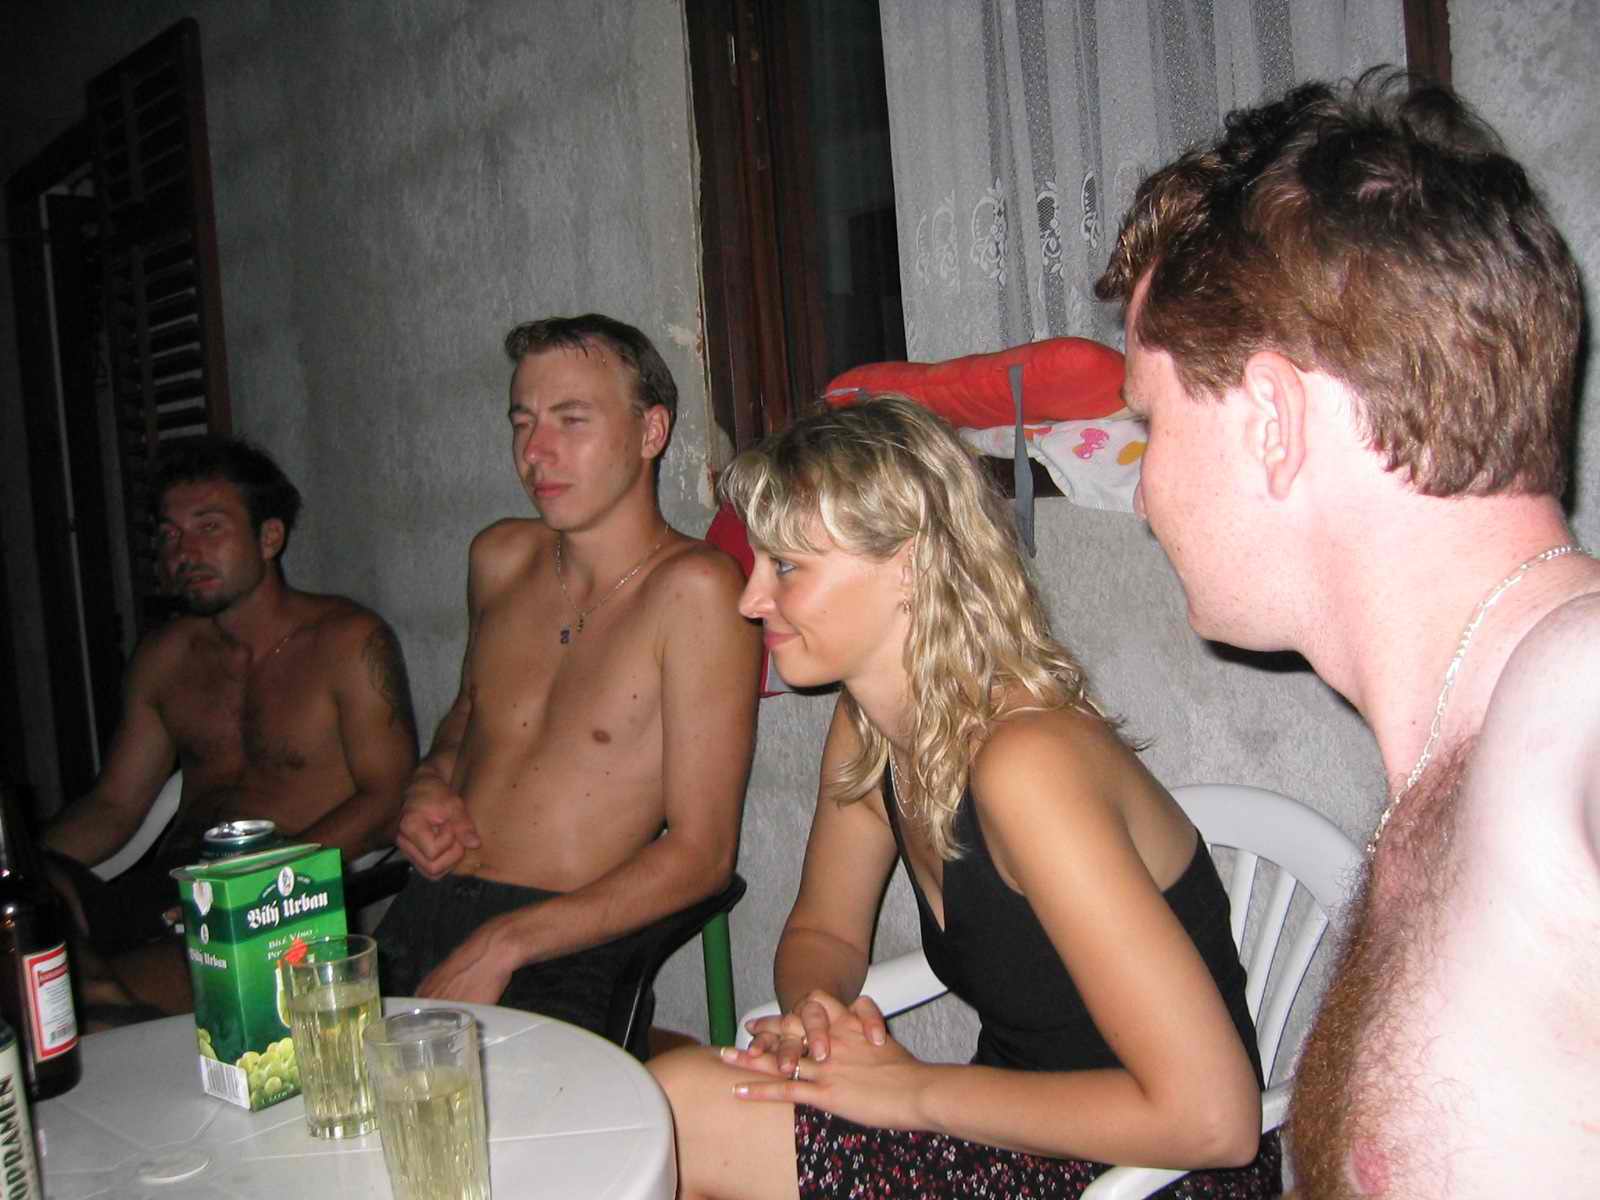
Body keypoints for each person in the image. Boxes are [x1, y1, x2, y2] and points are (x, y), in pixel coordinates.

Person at [1094, 67, 1599, 1198]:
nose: (1144, 492)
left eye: (1150, 425)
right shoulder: (1462, 757)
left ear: (1271, 421)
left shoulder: (1576, 699)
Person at [650, 396, 1281, 1199]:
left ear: (909, 565)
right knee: (677, 1102)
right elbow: (823, 932)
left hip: (1149, 1174)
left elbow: (1215, 1121)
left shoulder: (1028, 764)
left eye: (787, 567)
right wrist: (818, 1017)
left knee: (685, 1112)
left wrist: (911, 1093)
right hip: (1012, 1138)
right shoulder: (871, 727)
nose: (750, 600)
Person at [378, 313, 760, 1047]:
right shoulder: (498, 558)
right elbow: (468, 714)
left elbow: (703, 856)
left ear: (651, 432)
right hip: (425, 907)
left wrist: (507, 942)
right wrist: (429, 781)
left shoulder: (695, 592)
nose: (535, 452)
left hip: (561, 941)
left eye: (571, 419)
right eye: (522, 422)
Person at [45, 435, 419, 1013]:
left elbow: (389, 798)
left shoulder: (348, 641)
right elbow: (115, 805)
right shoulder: (165, 657)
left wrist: (255, 884)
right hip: (167, 890)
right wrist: (25, 866)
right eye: (170, 534)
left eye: (209, 527)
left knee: (75, 1001)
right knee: (28, 923)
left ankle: (99, 998)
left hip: (280, 902)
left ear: (269, 537)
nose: (184, 552)